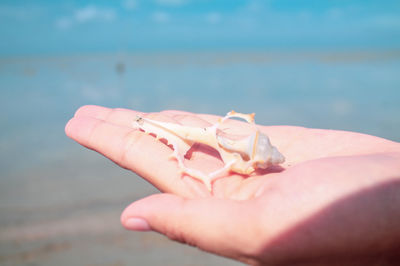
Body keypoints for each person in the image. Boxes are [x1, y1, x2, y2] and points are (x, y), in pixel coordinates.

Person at [65, 105, 400, 265]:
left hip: (236, 142)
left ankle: (150, 125)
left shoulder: (261, 154)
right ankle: (149, 124)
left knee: (193, 137)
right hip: (224, 138)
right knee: (184, 133)